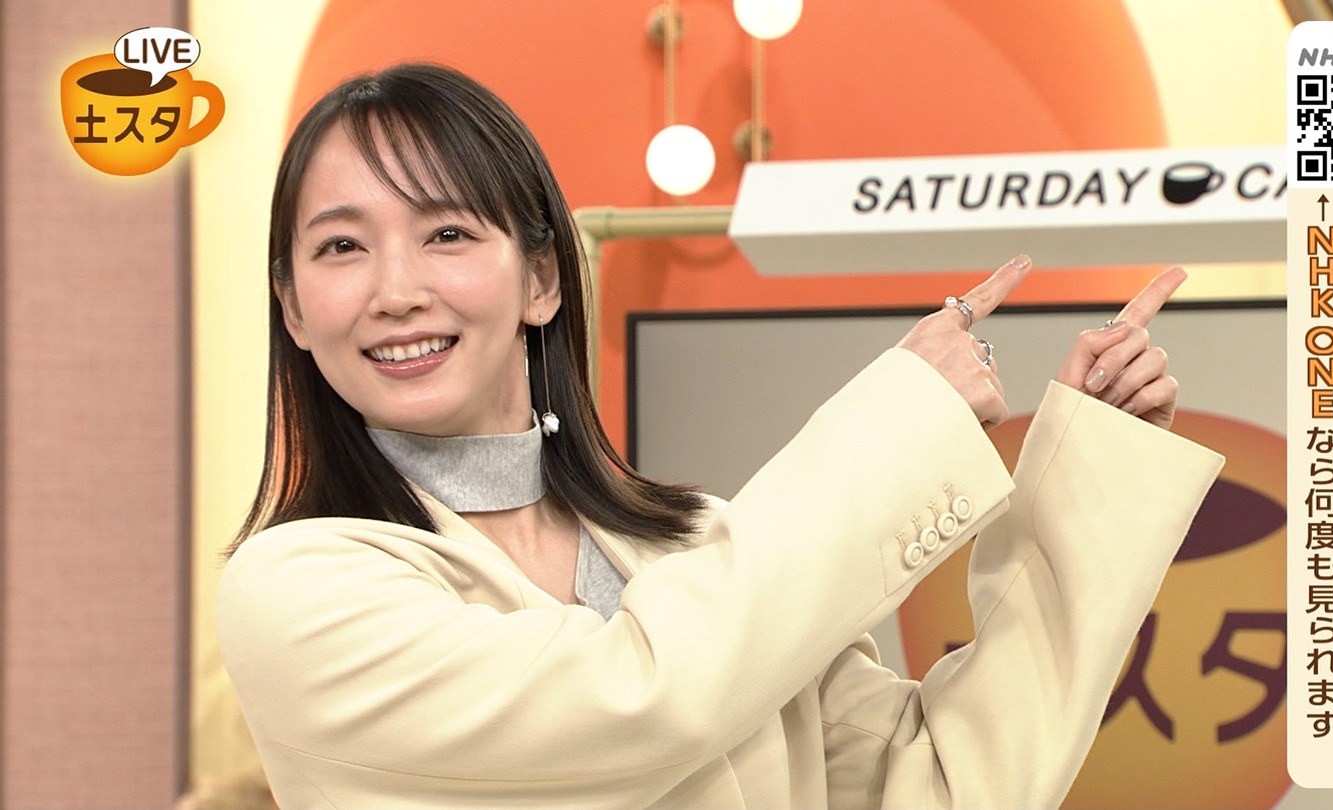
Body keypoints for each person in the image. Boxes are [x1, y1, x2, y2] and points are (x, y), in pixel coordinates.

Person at [216, 62, 1223, 810]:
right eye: (341, 246)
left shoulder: (695, 543)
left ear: (541, 279)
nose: (396, 291)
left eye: (446, 234)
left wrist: (1087, 474)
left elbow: (944, 784)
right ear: (293, 307)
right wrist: (909, 416)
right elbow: (639, 698)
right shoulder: (298, 590)